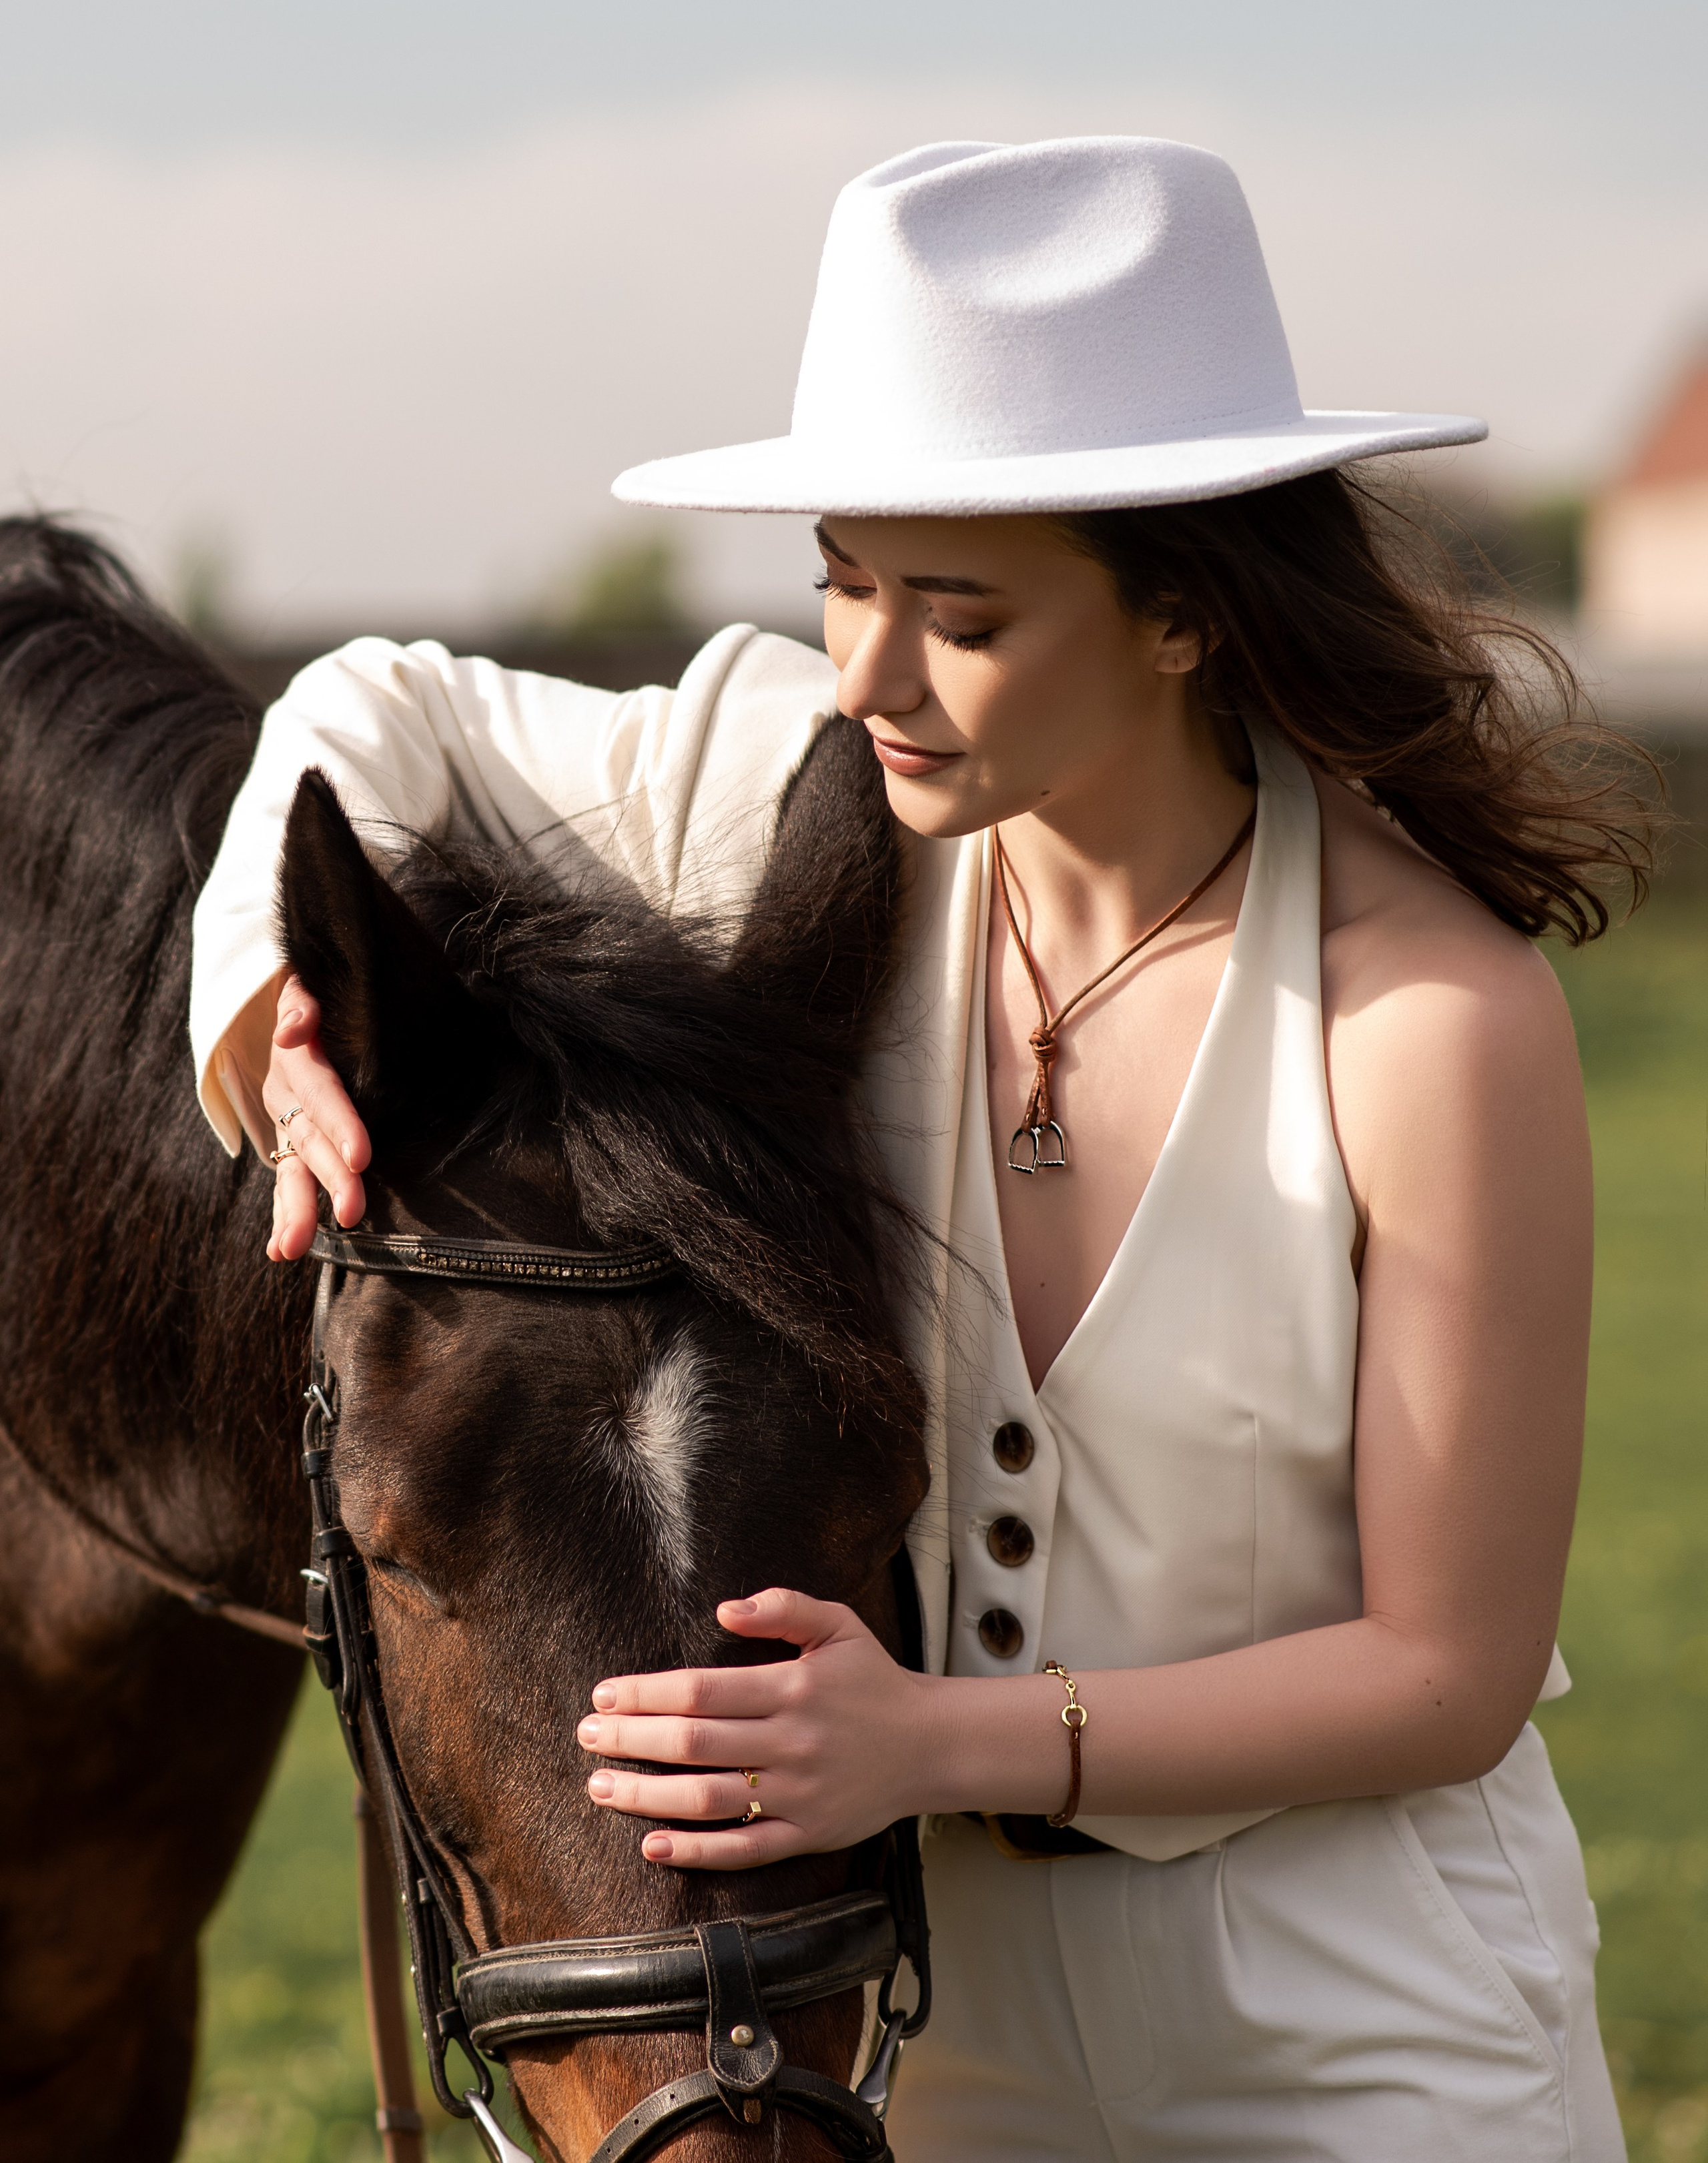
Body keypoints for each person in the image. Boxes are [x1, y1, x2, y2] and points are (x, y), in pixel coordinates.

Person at [190, 139, 1642, 2159]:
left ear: (1182, 619)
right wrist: (273, 1020)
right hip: (918, 2051)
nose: (863, 674)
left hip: (1368, 2023)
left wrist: (931, 1738)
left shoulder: (1435, 1024)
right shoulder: (780, 811)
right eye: (840, 580)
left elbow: (1446, 1672)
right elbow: (366, 706)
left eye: (954, 612)